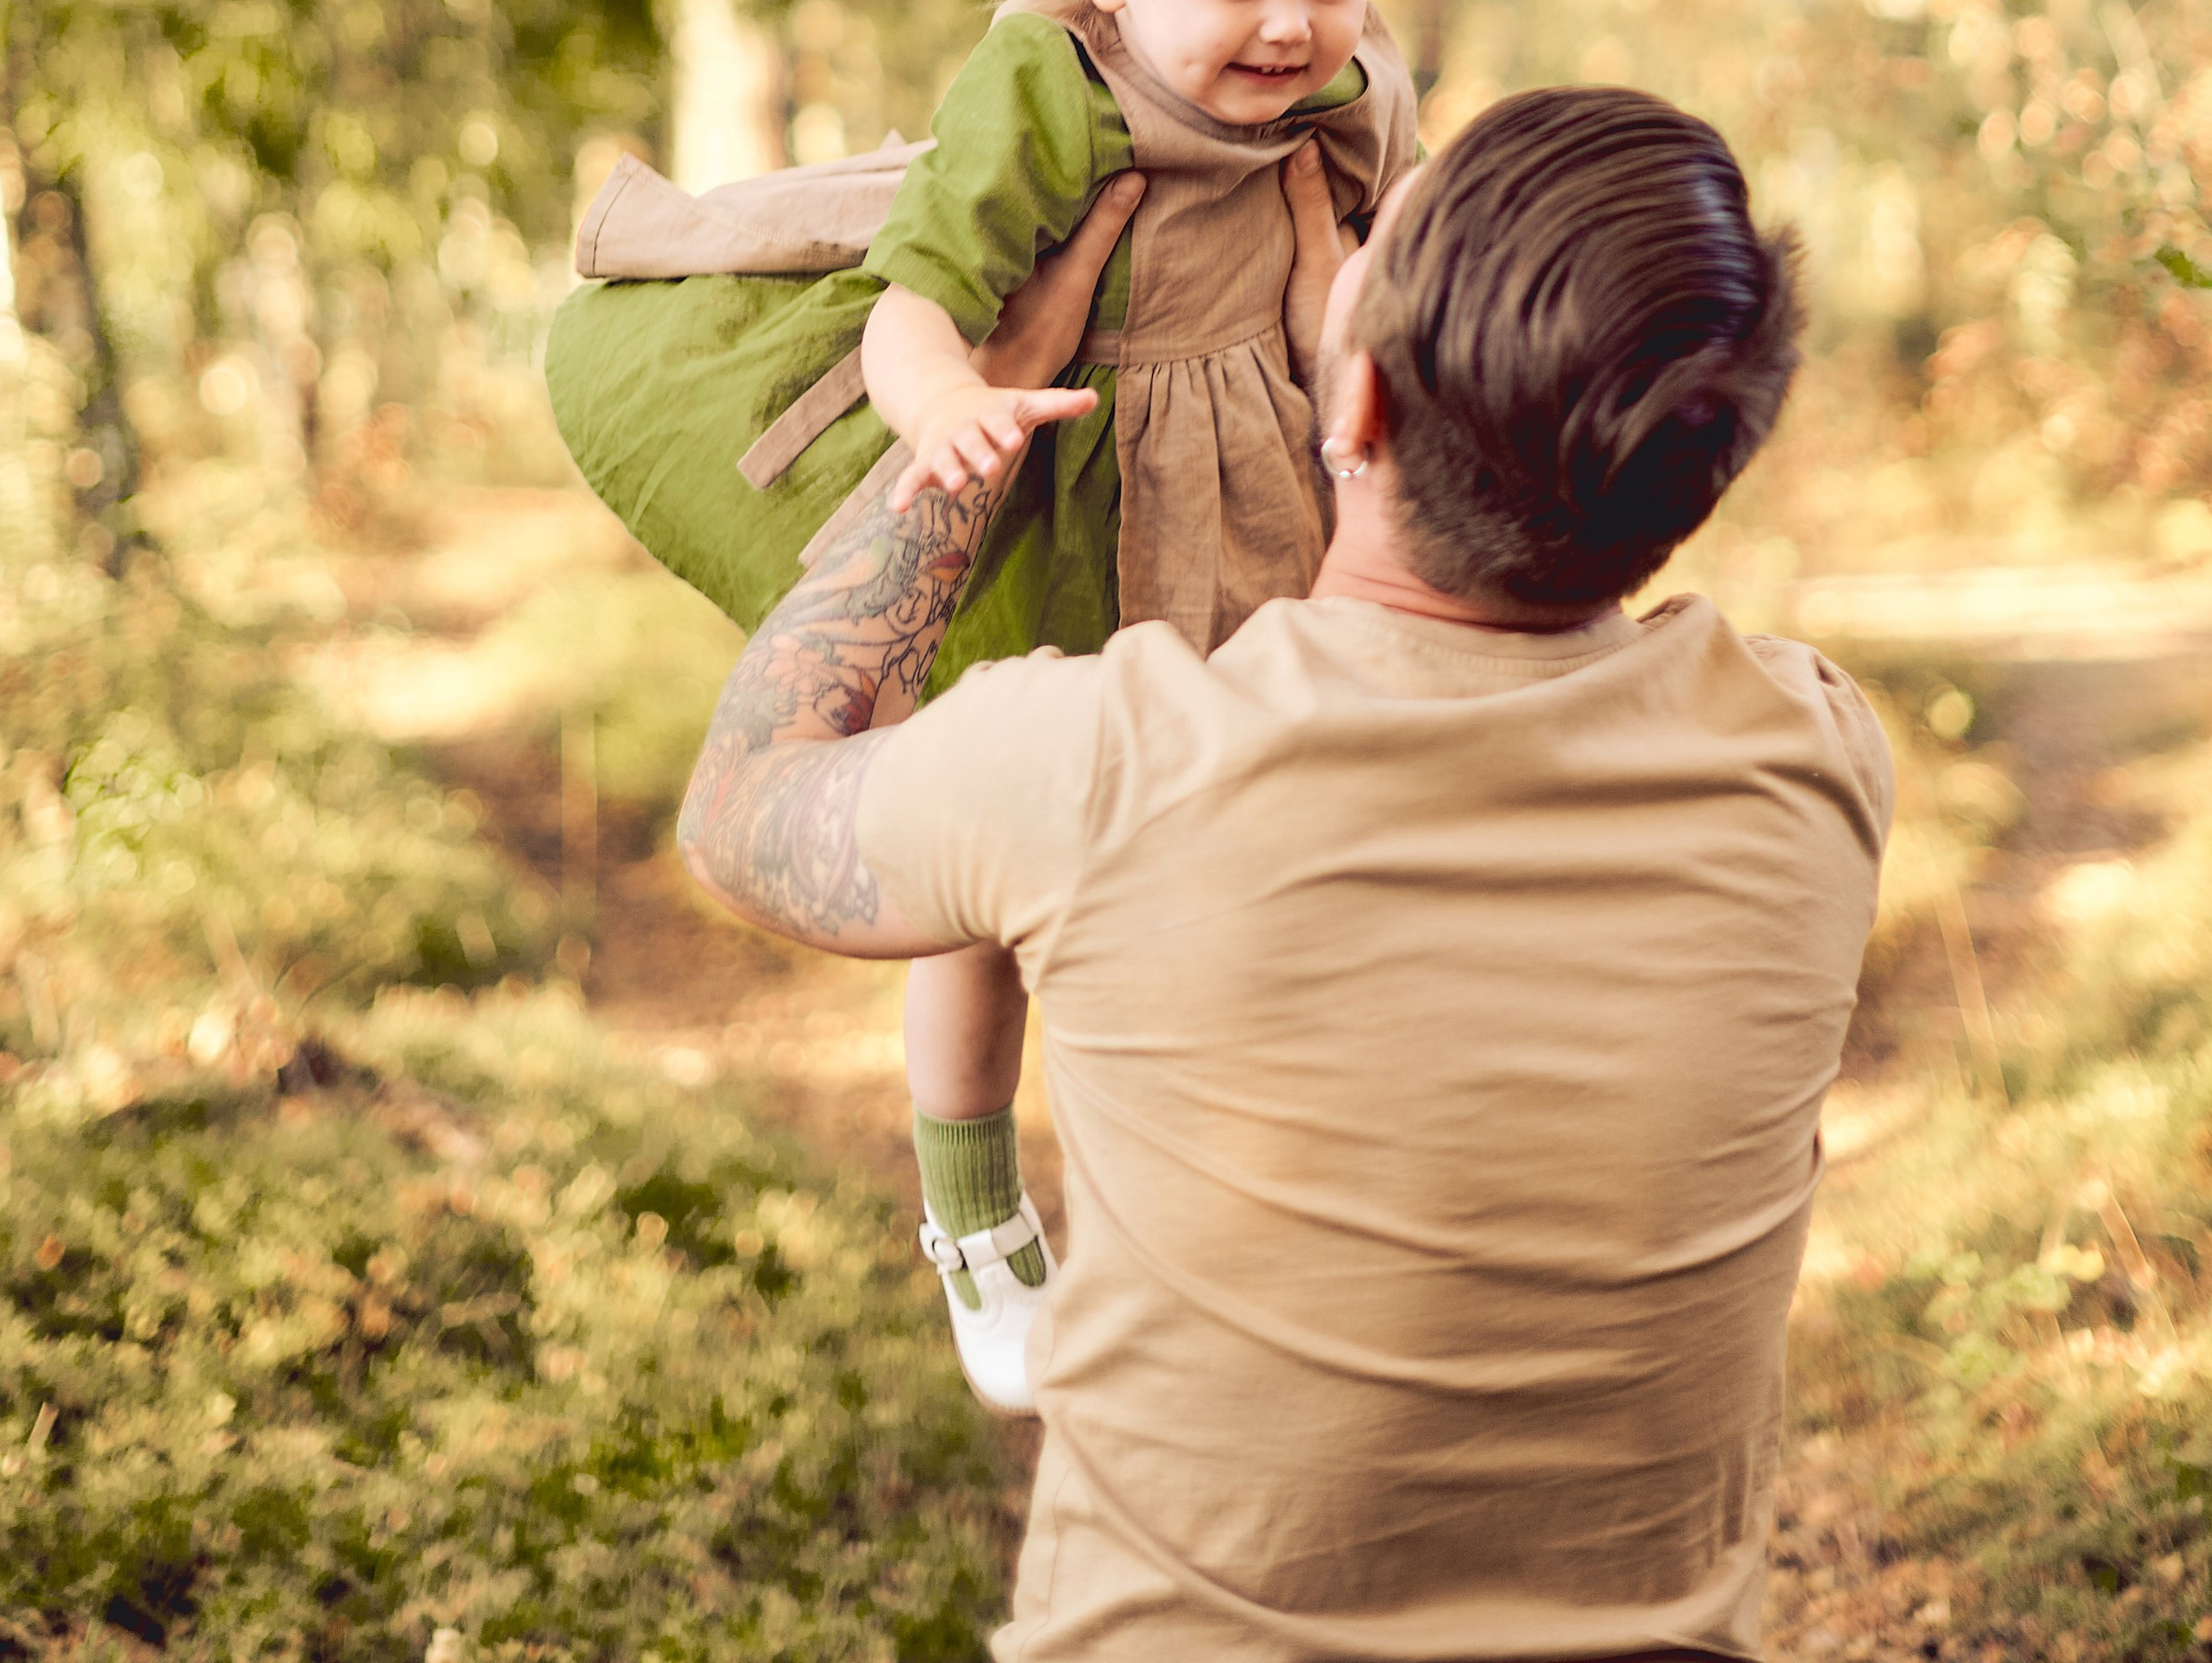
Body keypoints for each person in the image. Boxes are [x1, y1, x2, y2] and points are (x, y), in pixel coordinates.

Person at [677, 84, 1893, 1663]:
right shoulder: (1810, 759)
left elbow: (741, 804)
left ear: (1366, 395)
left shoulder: (1109, 766)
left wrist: (975, 415)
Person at [549, 0, 1420, 1407]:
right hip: (1053, 490)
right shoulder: (1050, 88)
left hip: (1249, 510)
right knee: (987, 888)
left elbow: (1389, 281)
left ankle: (1219, 1208)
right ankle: (975, 1215)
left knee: (1235, 856)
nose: (1288, 26)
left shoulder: (1348, 105)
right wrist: (945, 401)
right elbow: (917, 297)